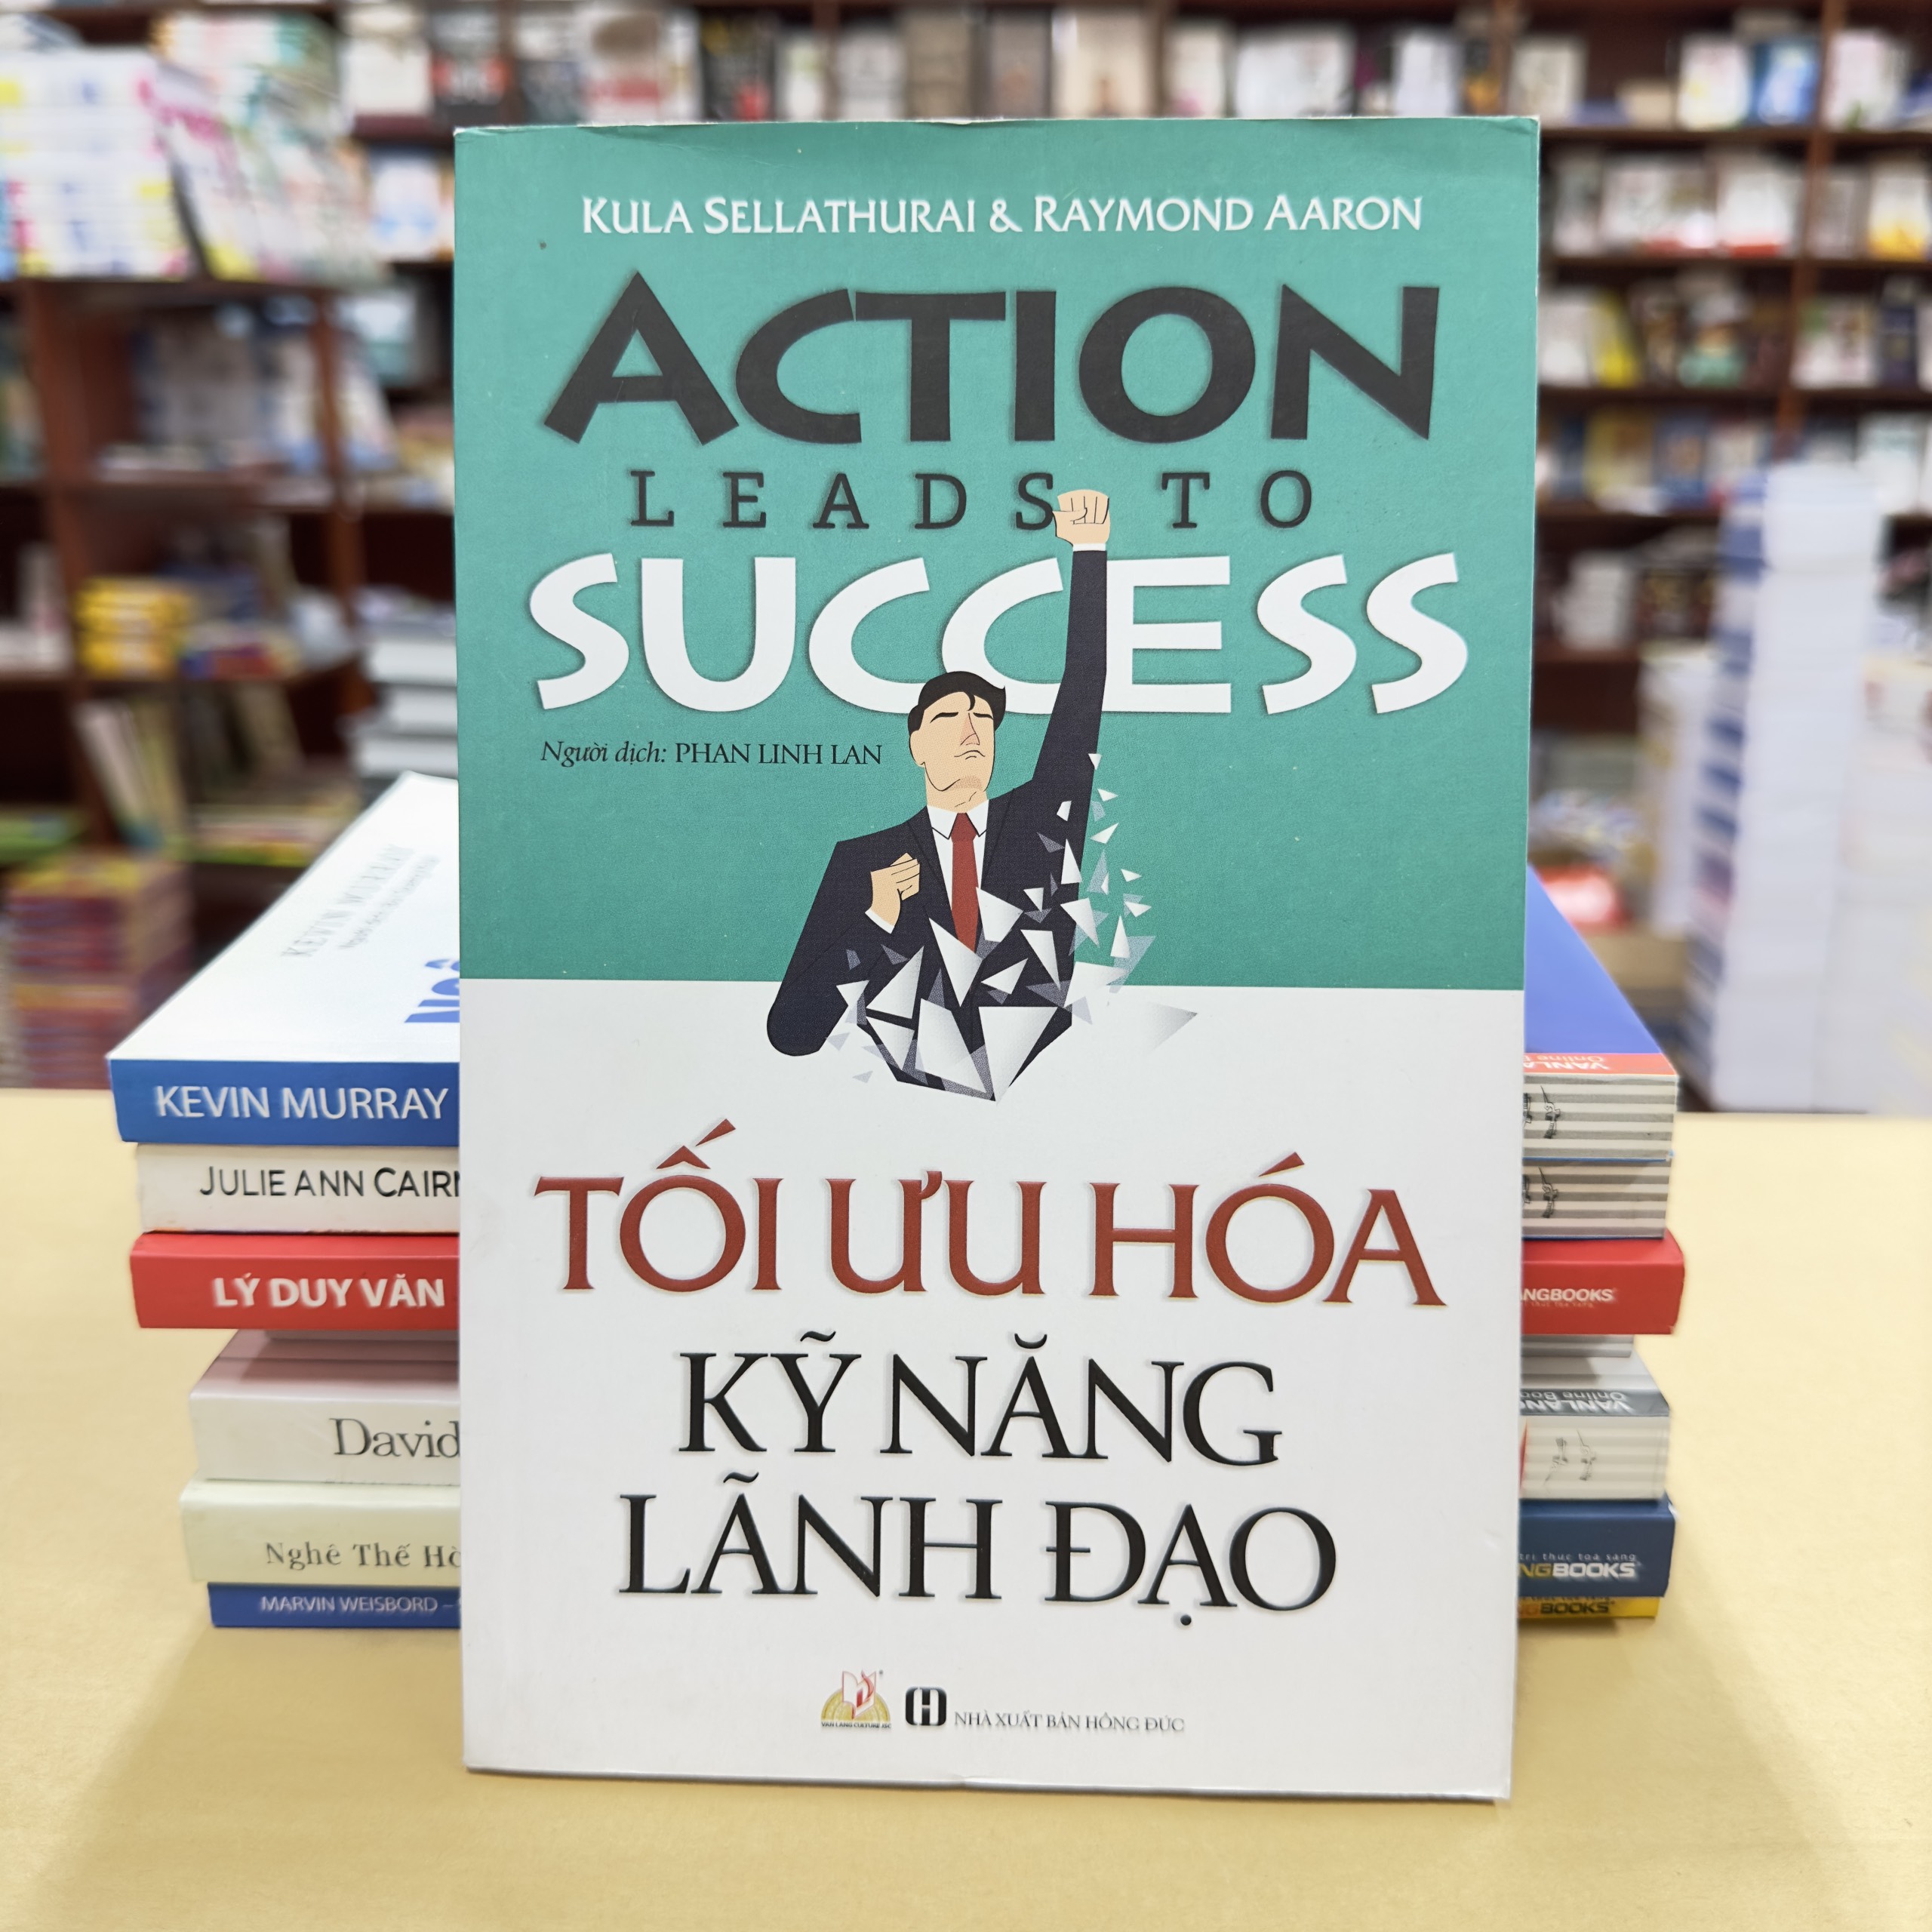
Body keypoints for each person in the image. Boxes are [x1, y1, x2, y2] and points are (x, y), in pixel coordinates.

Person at [767, 488, 1111, 1072]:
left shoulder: (1041, 824)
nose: (972, 729)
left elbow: (1083, 689)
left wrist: (1090, 549)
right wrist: (875, 919)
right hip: (900, 1101)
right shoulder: (864, 864)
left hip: (1047, 1086)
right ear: (917, 746)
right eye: (950, 718)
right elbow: (792, 1033)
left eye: (983, 718)